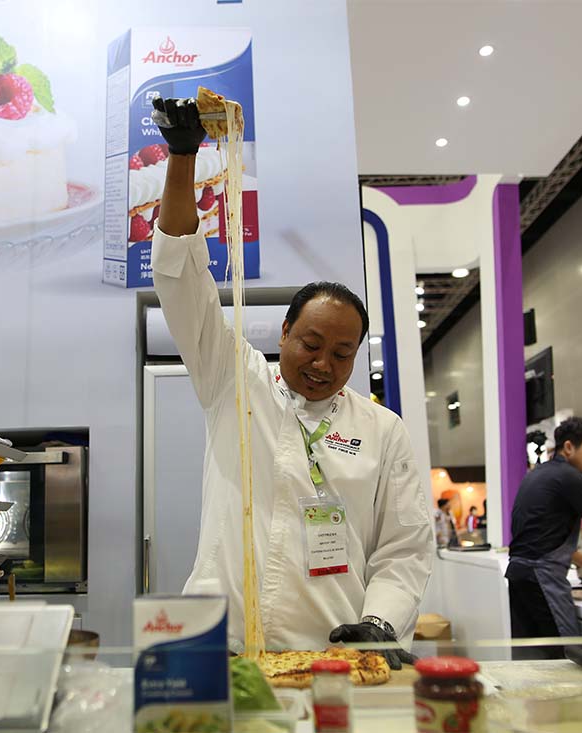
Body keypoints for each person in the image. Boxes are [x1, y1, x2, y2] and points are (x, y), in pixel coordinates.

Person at [149, 97, 435, 667]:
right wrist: (182, 157)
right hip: (223, 647)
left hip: (332, 651)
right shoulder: (233, 379)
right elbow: (181, 277)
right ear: (284, 332)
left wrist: (379, 623)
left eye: (342, 353)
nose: (323, 364)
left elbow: (404, 546)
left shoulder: (382, 430)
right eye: (311, 344)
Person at [505, 417, 582, 659]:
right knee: (568, 659)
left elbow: (546, 542)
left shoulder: (538, 474)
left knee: (531, 664)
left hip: (518, 577)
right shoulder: (571, 478)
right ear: (569, 447)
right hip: (541, 580)